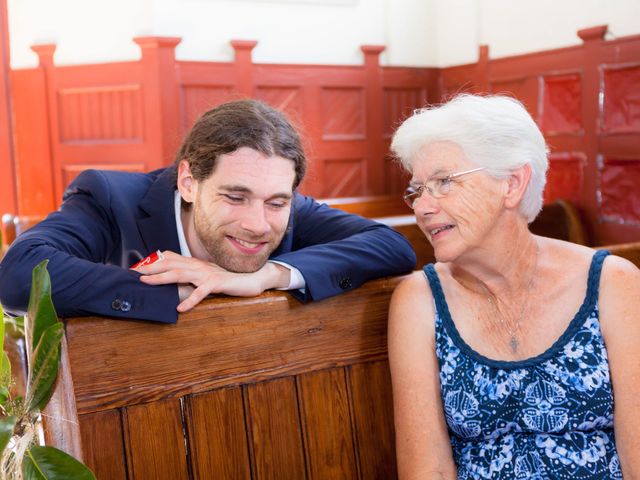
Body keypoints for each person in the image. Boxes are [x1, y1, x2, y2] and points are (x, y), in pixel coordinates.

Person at [387, 94, 640, 479]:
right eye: (418, 189)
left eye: (442, 182)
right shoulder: (420, 300)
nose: (422, 207)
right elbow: (427, 471)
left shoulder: (613, 284)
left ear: (512, 184)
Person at [0, 99, 416, 324]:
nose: (258, 224)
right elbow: (19, 275)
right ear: (187, 182)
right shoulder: (110, 197)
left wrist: (264, 275)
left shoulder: (286, 209)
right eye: (235, 197)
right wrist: (178, 288)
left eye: (276, 202)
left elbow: (392, 246)